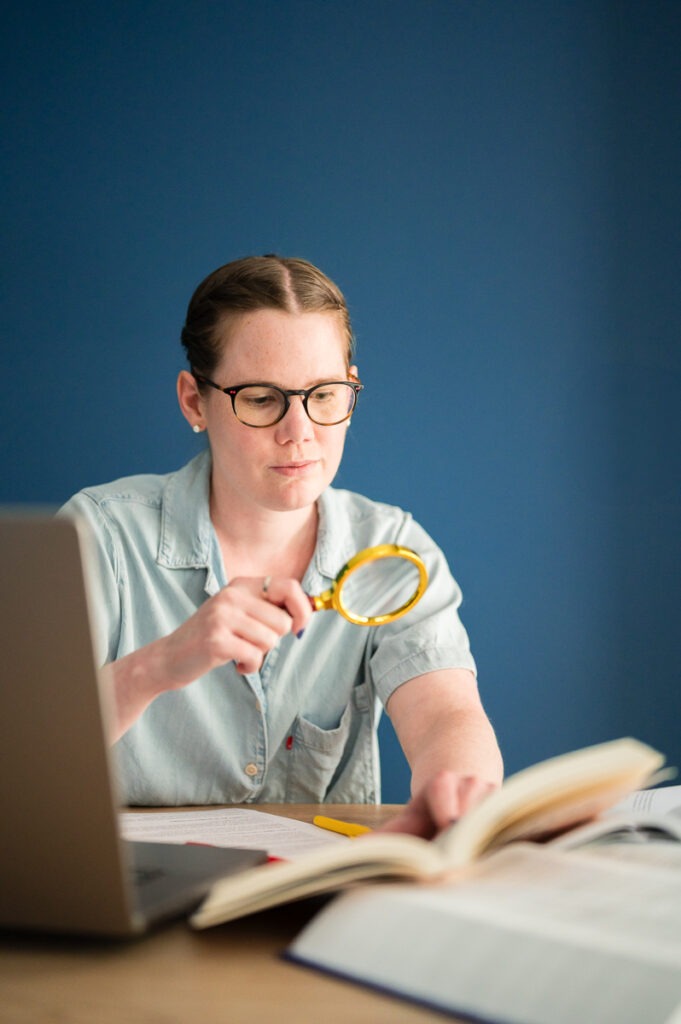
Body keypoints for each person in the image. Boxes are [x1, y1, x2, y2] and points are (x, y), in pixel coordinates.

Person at [60, 255, 503, 838]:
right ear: (195, 401)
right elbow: (25, 751)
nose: (299, 432)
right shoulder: (99, 536)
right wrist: (159, 665)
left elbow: (447, 714)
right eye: (262, 398)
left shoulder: (391, 548)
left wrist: (458, 793)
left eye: (323, 395)